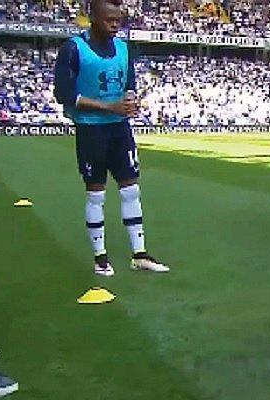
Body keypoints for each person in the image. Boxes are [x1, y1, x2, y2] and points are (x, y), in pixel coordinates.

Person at [53, 0, 169, 276]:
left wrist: (130, 102)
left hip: (120, 127)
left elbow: (129, 85)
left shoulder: (124, 48)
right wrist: (109, 107)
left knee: (131, 188)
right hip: (91, 129)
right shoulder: (73, 49)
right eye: (109, 20)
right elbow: (64, 95)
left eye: (118, 20)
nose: (115, 25)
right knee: (96, 193)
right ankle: (100, 257)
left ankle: (139, 253)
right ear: (92, 18)